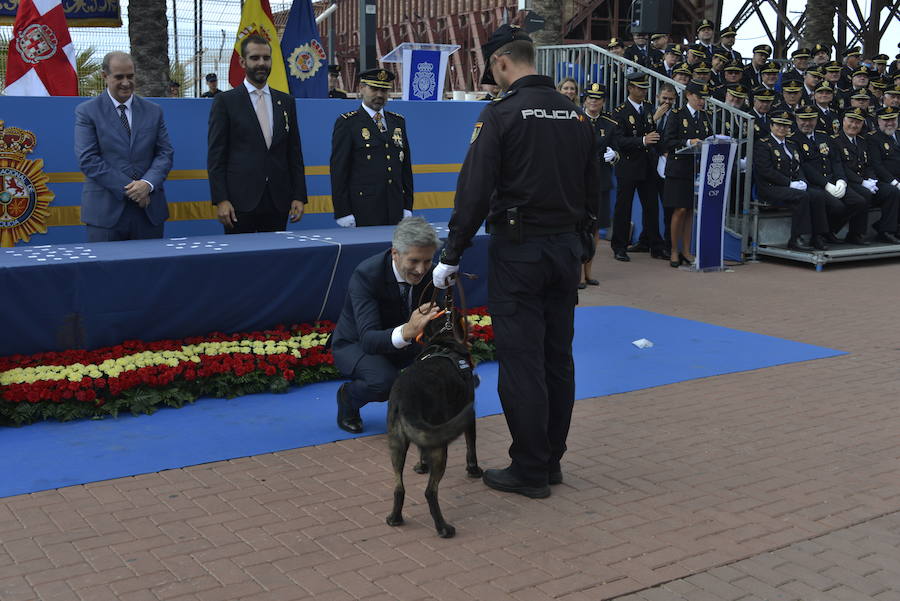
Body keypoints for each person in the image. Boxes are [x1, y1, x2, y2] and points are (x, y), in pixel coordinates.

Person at [431, 24, 596, 499]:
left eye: (492, 70)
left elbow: (474, 191)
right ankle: (551, 461)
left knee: (522, 362)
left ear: (502, 62)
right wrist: (584, 243)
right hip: (565, 250)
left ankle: (528, 467)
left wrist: (452, 252)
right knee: (557, 359)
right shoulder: (576, 115)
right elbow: (592, 189)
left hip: (520, 251)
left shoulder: (501, 115)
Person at [332, 217, 443, 434]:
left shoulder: (434, 273)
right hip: (358, 343)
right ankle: (348, 398)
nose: (421, 270)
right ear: (395, 253)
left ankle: (410, 408)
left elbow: (437, 321)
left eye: (427, 261)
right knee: (384, 383)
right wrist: (408, 331)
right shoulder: (366, 275)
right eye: (414, 261)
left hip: (405, 341)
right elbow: (369, 339)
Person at [207, 34, 308, 233]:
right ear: (243, 62)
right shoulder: (225, 102)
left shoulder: (286, 102)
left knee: (277, 262)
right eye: (255, 58)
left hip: (278, 202)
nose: (261, 63)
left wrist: (298, 195)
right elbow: (216, 156)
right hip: (239, 204)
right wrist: (221, 199)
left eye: (266, 58)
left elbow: (294, 153)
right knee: (241, 261)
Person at [74, 51, 174, 242]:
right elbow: (88, 160)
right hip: (105, 214)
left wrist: (147, 184)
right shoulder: (87, 112)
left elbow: (165, 153)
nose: (126, 83)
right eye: (119, 77)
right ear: (105, 76)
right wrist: (134, 191)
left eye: (130, 76)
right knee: (105, 272)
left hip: (149, 212)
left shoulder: (154, 111)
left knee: (150, 271)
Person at [329, 68, 414, 227]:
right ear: (361, 88)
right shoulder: (348, 123)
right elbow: (339, 171)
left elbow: (405, 168)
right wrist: (343, 212)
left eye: (384, 90)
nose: (380, 95)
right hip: (363, 209)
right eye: (374, 89)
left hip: (395, 207)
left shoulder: (398, 122)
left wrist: (407, 205)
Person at [610, 72, 667, 261]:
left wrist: (662, 151)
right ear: (630, 88)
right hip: (628, 165)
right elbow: (619, 140)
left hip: (648, 165)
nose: (643, 91)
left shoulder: (649, 108)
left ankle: (654, 245)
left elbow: (654, 133)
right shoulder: (619, 112)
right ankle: (619, 246)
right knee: (623, 208)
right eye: (639, 88)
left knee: (651, 206)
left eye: (645, 88)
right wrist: (642, 140)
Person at [792, 105, 866, 243]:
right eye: (803, 119)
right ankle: (818, 235)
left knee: (858, 202)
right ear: (796, 119)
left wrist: (841, 180)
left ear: (816, 119)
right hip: (815, 184)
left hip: (832, 180)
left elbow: (836, 161)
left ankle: (829, 231)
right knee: (837, 207)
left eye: (811, 119)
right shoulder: (793, 139)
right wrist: (825, 184)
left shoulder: (823, 136)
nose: (807, 123)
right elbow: (804, 166)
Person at [752, 110, 819, 251]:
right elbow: (766, 171)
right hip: (770, 187)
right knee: (802, 196)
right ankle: (796, 238)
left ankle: (818, 236)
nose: (782, 128)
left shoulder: (791, 144)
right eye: (778, 125)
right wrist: (789, 183)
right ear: (771, 126)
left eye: (786, 126)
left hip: (788, 186)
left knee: (817, 195)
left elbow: (798, 166)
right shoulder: (763, 145)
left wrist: (802, 181)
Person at [661, 81, 712, 266]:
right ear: (689, 95)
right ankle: (674, 250)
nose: (701, 101)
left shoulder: (705, 116)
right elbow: (668, 141)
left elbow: (710, 137)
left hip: (695, 169)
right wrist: (689, 142)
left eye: (703, 98)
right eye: (699, 97)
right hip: (678, 169)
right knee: (679, 209)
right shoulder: (676, 115)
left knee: (690, 210)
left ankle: (686, 250)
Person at [832, 107, 900, 244]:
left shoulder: (862, 140)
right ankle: (855, 234)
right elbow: (841, 167)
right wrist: (862, 182)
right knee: (864, 195)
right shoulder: (834, 140)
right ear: (843, 121)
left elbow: (869, 164)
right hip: (848, 181)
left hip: (866, 180)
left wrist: (872, 179)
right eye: (851, 121)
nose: (853, 125)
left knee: (892, 192)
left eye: (858, 123)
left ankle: (886, 230)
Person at [581, 83, 619, 288]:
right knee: (580, 227)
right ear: (585, 100)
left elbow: (618, 151)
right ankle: (577, 273)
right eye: (590, 98)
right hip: (579, 182)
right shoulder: (575, 120)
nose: (594, 101)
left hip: (601, 182)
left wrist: (614, 156)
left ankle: (588, 271)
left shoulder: (610, 124)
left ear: (603, 101)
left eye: (598, 98)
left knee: (595, 228)